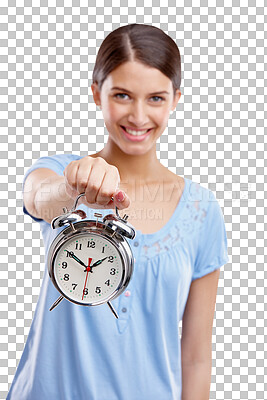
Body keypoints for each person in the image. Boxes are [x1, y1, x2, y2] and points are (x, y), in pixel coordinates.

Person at [7, 23, 229, 400]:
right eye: (123, 95)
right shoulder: (61, 173)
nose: (139, 116)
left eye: (156, 98)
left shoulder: (202, 212)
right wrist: (75, 188)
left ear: (176, 98)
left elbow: (195, 358)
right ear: (97, 93)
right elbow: (38, 197)